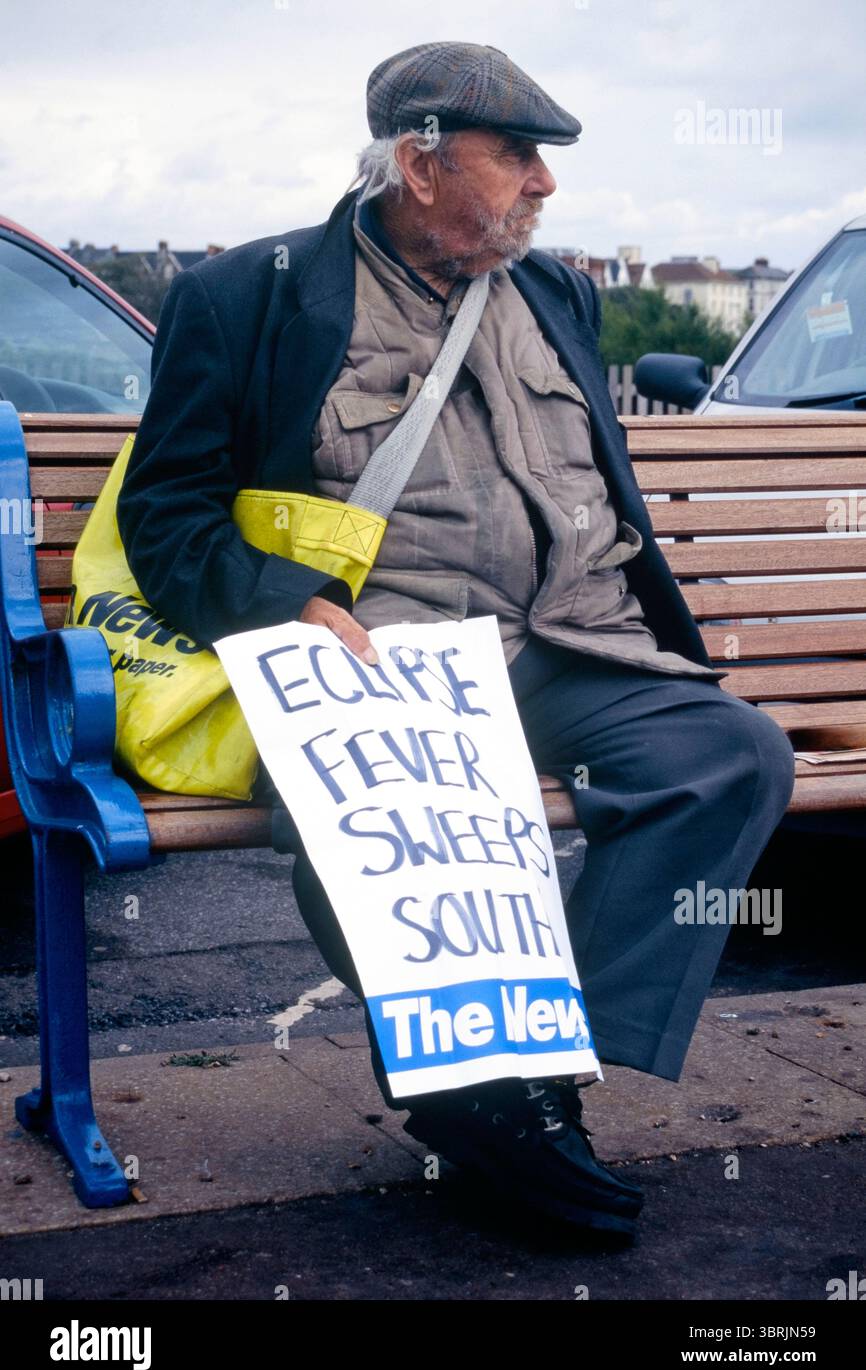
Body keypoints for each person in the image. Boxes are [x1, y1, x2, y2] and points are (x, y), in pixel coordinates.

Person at [116, 41, 796, 1241]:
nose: (544, 184)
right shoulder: (248, 293)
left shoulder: (556, 294)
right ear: (419, 162)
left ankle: (519, 1082)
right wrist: (280, 604)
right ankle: (503, 1105)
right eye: (517, 154)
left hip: (571, 642)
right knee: (372, 828)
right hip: (381, 659)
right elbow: (165, 517)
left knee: (730, 753)